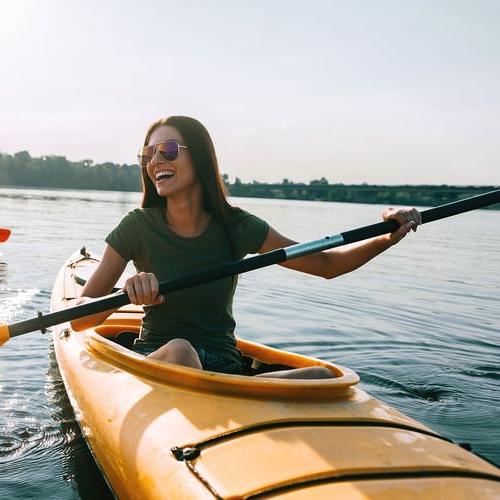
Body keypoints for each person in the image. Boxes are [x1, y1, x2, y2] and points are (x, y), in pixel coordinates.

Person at [72, 116, 421, 379]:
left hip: (225, 367)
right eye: (147, 154)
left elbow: (326, 264)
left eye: (168, 150)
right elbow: (79, 318)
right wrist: (127, 292)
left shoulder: (238, 226)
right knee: (181, 351)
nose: (155, 162)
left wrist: (388, 235)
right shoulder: (137, 226)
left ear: (201, 158)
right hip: (162, 358)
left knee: (323, 376)